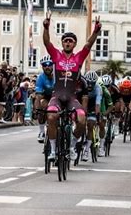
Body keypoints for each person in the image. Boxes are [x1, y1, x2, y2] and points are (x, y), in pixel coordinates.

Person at [43, 11, 101, 160]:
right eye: (65, 41)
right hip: (57, 96)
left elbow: (88, 44)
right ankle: (54, 151)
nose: (68, 43)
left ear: (74, 44)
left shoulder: (78, 57)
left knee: (82, 120)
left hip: (71, 97)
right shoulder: (56, 55)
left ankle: (72, 144)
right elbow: (47, 42)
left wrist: (95, 31)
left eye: (71, 41)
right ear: (62, 43)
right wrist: (46, 27)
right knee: (51, 116)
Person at [34, 55, 55, 143]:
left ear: (53, 65)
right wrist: (37, 110)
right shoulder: (40, 78)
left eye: (49, 65)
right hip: (46, 96)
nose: (47, 67)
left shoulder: (57, 75)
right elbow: (38, 95)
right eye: (44, 65)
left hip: (57, 96)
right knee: (42, 107)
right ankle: (42, 131)